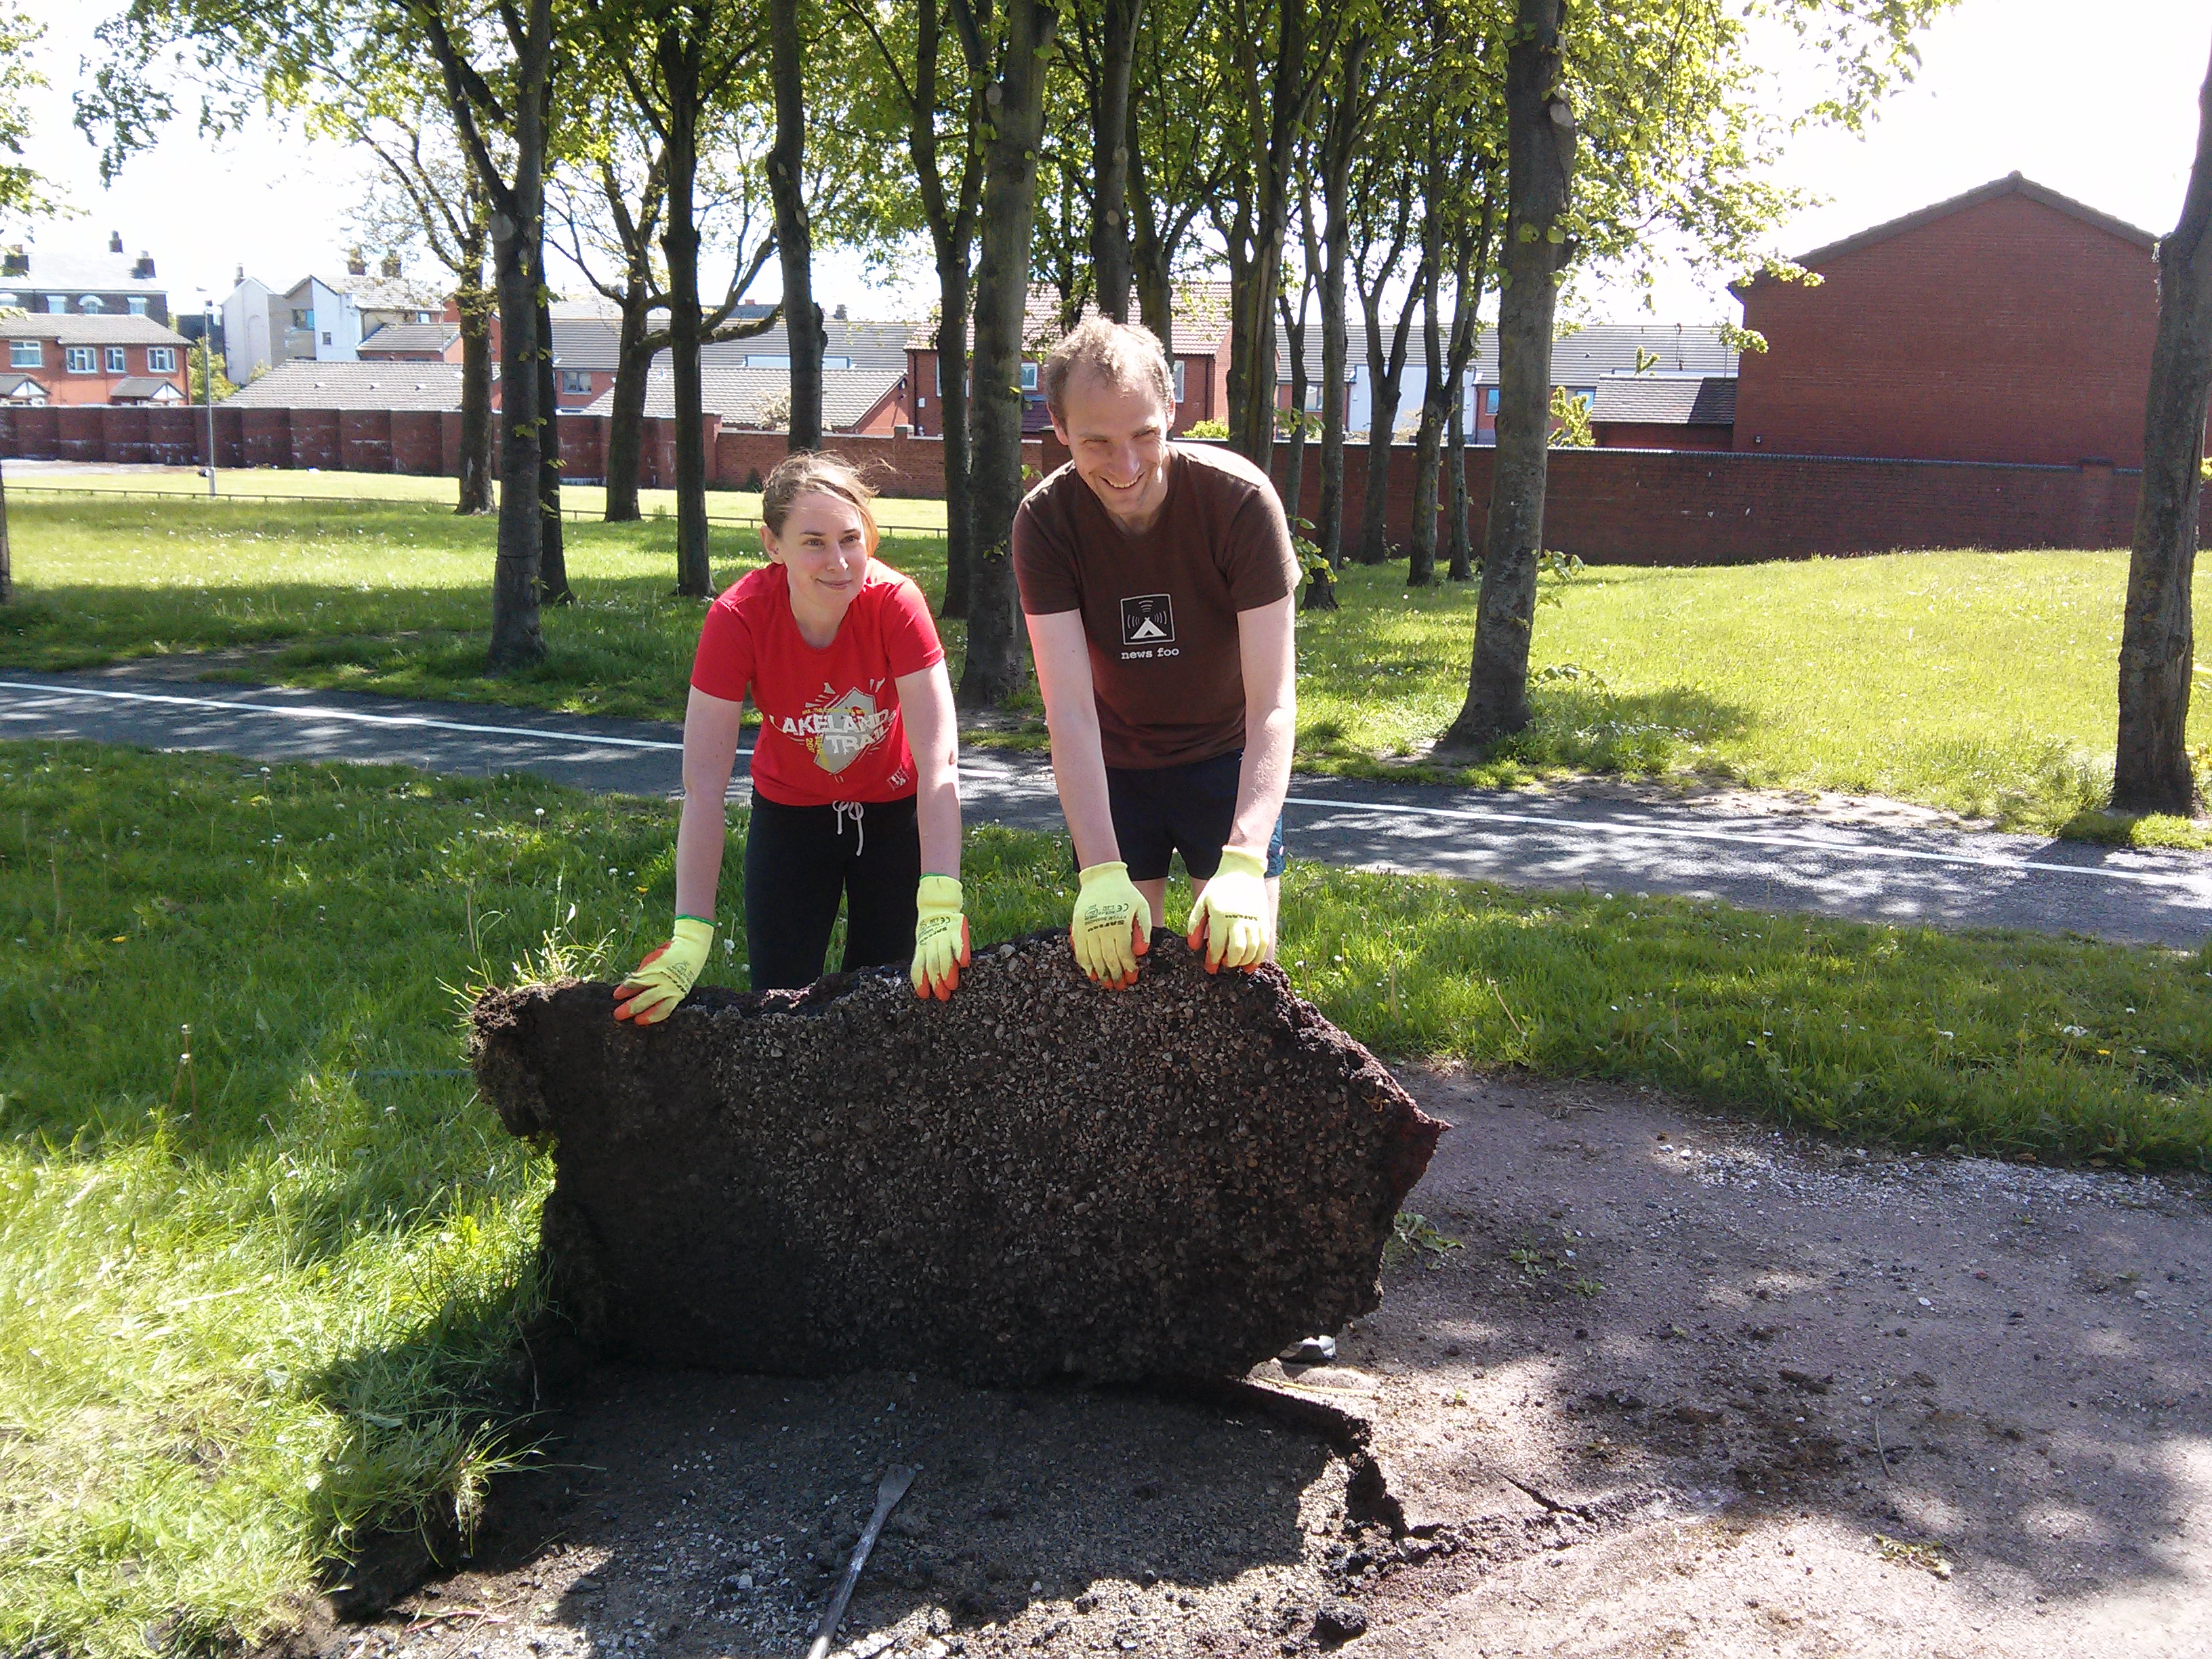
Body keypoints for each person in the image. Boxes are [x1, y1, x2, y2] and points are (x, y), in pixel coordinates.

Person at [613, 452, 969, 1022]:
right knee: (779, 1008)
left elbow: (939, 762)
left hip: (893, 816)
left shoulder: (897, 603)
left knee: (888, 1003)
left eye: (852, 539)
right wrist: (690, 935)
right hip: (790, 817)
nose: (839, 562)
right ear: (771, 544)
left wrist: (942, 899)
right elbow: (704, 786)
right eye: (813, 542)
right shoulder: (738, 618)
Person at [1012, 316, 1298, 989]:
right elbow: (1071, 715)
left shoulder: (1240, 502)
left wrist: (1244, 861)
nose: (1126, 465)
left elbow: (1273, 704)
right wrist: (1099, 872)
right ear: (1058, 428)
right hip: (1115, 764)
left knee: (1241, 980)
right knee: (1120, 981)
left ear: (1172, 409)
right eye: (1097, 443)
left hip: (1228, 757)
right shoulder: (1045, 523)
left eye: (1144, 433)